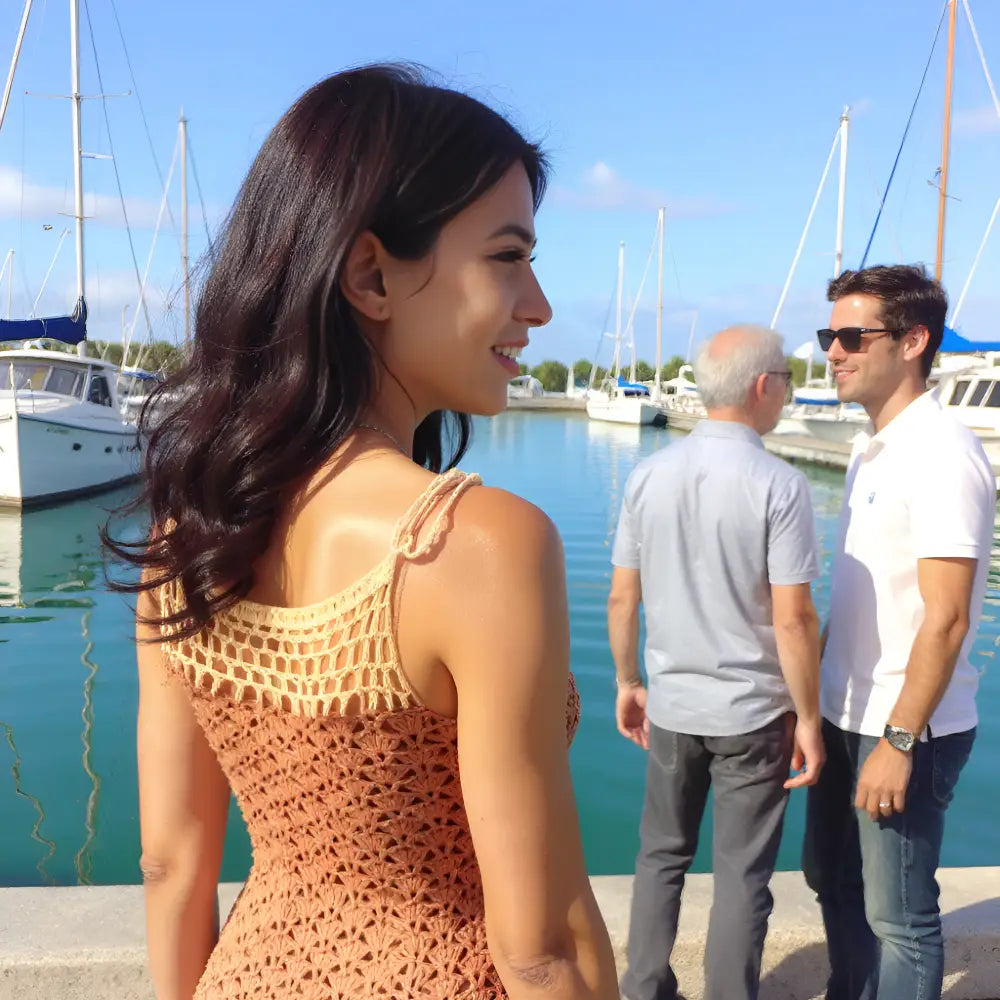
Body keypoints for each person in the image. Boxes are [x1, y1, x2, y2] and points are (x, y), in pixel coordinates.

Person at [105, 65, 618, 1000]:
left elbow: (171, 866)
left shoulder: (187, 537)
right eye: (508, 257)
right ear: (372, 275)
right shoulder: (480, 543)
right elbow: (541, 946)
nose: (538, 305)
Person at [609, 324, 825, 1000]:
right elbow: (792, 618)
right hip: (754, 716)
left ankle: (644, 988)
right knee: (741, 876)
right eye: (786, 380)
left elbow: (622, 597)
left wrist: (628, 680)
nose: (786, 393)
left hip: (673, 706)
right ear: (763, 387)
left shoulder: (648, 475)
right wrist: (811, 719)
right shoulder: (780, 485)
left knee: (660, 858)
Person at [803, 265, 994, 1000]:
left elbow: (944, 618)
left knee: (901, 918)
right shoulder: (871, 447)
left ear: (914, 341)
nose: (833, 351)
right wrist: (813, 698)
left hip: (908, 727)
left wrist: (900, 741)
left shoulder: (943, 452)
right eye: (829, 335)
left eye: (853, 336)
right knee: (829, 877)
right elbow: (860, 597)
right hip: (845, 710)